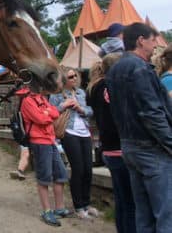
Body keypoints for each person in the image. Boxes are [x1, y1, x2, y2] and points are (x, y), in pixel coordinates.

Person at [106, 22, 172, 233]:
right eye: (153, 41)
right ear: (141, 40)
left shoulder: (115, 69)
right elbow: (151, 113)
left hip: (129, 146)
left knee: (143, 214)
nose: (155, 46)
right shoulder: (140, 68)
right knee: (166, 215)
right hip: (152, 148)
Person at [87, 53, 136, 233]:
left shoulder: (95, 87)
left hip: (108, 149)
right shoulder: (111, 88)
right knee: (130, 203)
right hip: (119, 148)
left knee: (122, 201)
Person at [49, 68, 97, 219]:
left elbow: (91, 110)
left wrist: (81, 109)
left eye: (76, 75)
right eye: (70, 76)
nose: (74, 78)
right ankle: (78, 206)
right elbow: (51, 111)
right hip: (69, 133)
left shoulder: (82, 93)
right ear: (64, 79)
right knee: (78, 169)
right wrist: (64, 105)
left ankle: (86, 203)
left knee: (88, 169)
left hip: (84, 132)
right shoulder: (57, 94)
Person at [20, 85, 71, 227]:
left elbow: (51, 115)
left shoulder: (41, 98)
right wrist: (51, 112)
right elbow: (41, 119)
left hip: (50, 140)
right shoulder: (27, 101)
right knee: (44, 177)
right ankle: (46, 211)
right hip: (39, 142)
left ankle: (59, 208)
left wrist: (49, 112)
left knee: (60, 174)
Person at [10, 87, 31, 180]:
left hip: (22, 135)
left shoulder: (19, 107)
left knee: (25, 153)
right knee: (25, 153)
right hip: (29, 134)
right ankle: (20, 170)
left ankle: (20, 170)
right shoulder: (27, 104)